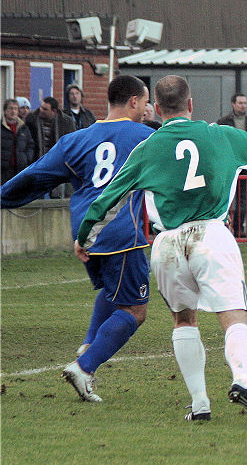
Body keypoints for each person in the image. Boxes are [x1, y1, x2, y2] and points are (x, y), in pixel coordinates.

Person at [76, 75, 247, 427]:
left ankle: (200, 402)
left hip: (168, 243)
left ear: (157, 109)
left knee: (184, 319)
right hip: (211, 235)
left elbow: (108, 199)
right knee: (233, 315)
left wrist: (85, 237)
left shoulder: (148, 147)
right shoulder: (221, 135)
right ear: (190, 105)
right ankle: (242, 382)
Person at [1, 75, 155, 403]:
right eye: (144, 102)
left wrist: (2, 196)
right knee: (135, 309)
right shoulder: (146, 137)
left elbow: (35, 176)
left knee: (111, 293)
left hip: (85, 234)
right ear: (132, 102)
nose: (146, 109)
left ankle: (88, 346)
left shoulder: (76, 140)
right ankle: (84, 366)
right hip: (121, 233)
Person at [217, 93, 247, 237]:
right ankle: (223, 227)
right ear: (233, 104)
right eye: (240, 102)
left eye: (245, 102)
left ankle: (239, 228)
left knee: (242, 200)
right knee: (226, 199)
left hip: (245, 166)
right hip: (228, 165)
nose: (243, 105)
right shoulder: (223, 121)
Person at [1, 98, 35, 184]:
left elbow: (30, 145)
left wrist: (26, 158)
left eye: (15, 108)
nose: (13, 111)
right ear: (5, 111)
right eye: (10, 108)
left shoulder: (23, 128)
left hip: (20, 169)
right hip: (4, 170)